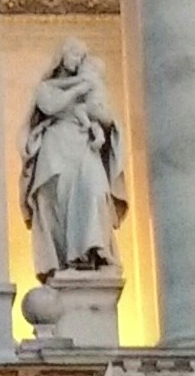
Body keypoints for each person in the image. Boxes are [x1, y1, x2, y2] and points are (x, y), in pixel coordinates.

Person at [23, 44, 124, 274]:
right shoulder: (47, 88)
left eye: (82, 55)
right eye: (75, 54)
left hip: (85, 145)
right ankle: (67, 260)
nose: (79, 60)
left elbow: (105, 116)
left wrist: (96, 120)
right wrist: (77, 90)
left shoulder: (89, 86)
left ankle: (96, 252)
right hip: (56, 146)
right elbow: (50, 106)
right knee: (57, 202)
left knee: (95, 191)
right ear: (61, 57)